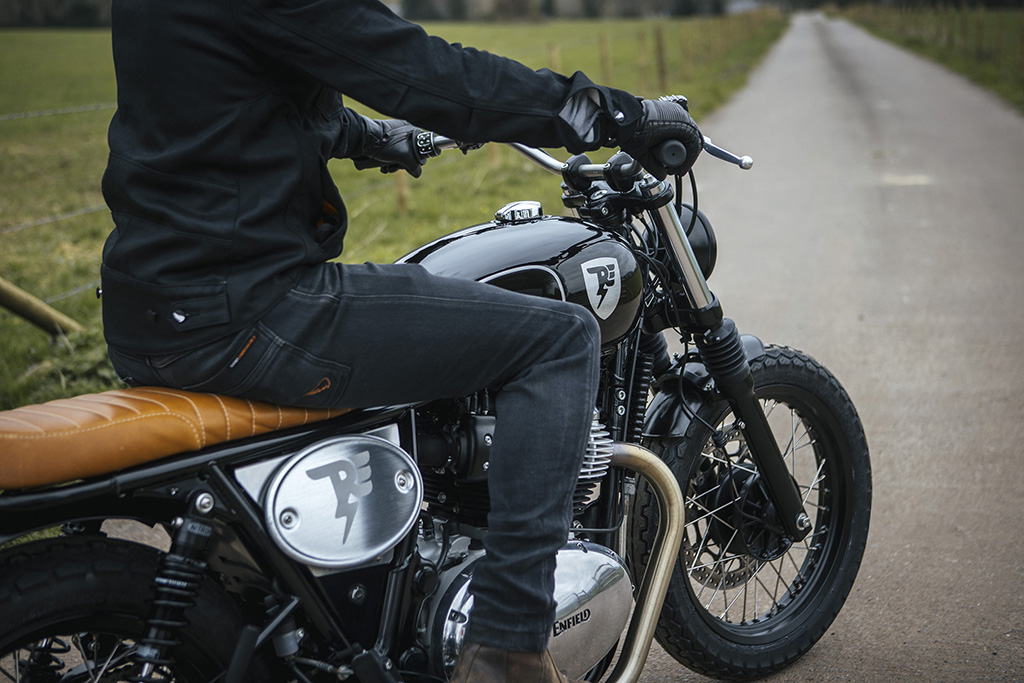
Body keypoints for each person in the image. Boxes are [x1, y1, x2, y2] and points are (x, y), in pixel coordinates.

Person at [99, 0, 702, 680]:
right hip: (252, 308)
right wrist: (620, 116)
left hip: (147, 310)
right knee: (558, 339)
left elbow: (227, 98)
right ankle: (506, 646)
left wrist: (366, 137)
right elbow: (428, 75)